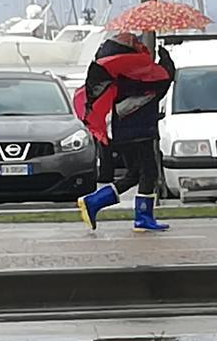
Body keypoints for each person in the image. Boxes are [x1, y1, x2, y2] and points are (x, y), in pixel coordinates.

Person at [75, 32, 176, 232]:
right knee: (148, 173)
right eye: (135, 41)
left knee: (134, 174)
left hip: (122, 131)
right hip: (139, 131)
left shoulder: (111, 67)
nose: (139, 44)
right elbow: (158, 86)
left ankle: (94, 202)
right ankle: (142, 218)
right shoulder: (133, 68)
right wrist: (166, 63)